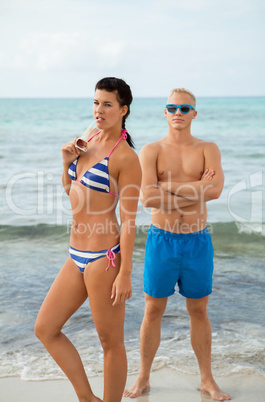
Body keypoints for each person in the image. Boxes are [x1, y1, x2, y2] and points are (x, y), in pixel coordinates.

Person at [35, 77, 142, 402]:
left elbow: (129, 221)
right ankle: (87, 397)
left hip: (103, 261)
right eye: (96, 102)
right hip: (75, 255)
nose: (99, 110)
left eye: (107, 104)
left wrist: (124, 273)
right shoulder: (88, 136)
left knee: (110, 342)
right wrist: (65, 162)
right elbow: (72, 191)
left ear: (123, 110)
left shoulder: (125, 158)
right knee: (45, 329)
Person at [124, 88, 231, 401]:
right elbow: (147, 197)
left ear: (194, 113)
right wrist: (198, 185)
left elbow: (215, 192)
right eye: (172, 107)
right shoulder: (151, 150)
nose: (178, 113)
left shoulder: (208, 148)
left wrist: (168, 186)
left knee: (199, 310)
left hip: (198, 240)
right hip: (162, 240)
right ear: (165, 112)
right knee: (153, 309)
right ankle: (143, 377)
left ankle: (207, 380)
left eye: (185, 108)